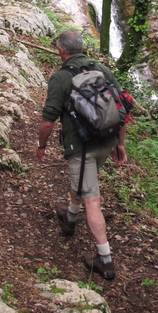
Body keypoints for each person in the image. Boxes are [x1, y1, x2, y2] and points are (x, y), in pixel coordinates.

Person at [36, 30, 127, 280]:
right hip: (107, 140)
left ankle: (105, 261)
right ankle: (69, 218)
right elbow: (122, 105)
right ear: (83, 47)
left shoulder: (61, 78)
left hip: (81, 147)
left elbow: (47, 121)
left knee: (92, 200)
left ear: (61, 51)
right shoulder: (102, 69)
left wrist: (40, 146)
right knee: (84, 183)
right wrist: (120, 144)